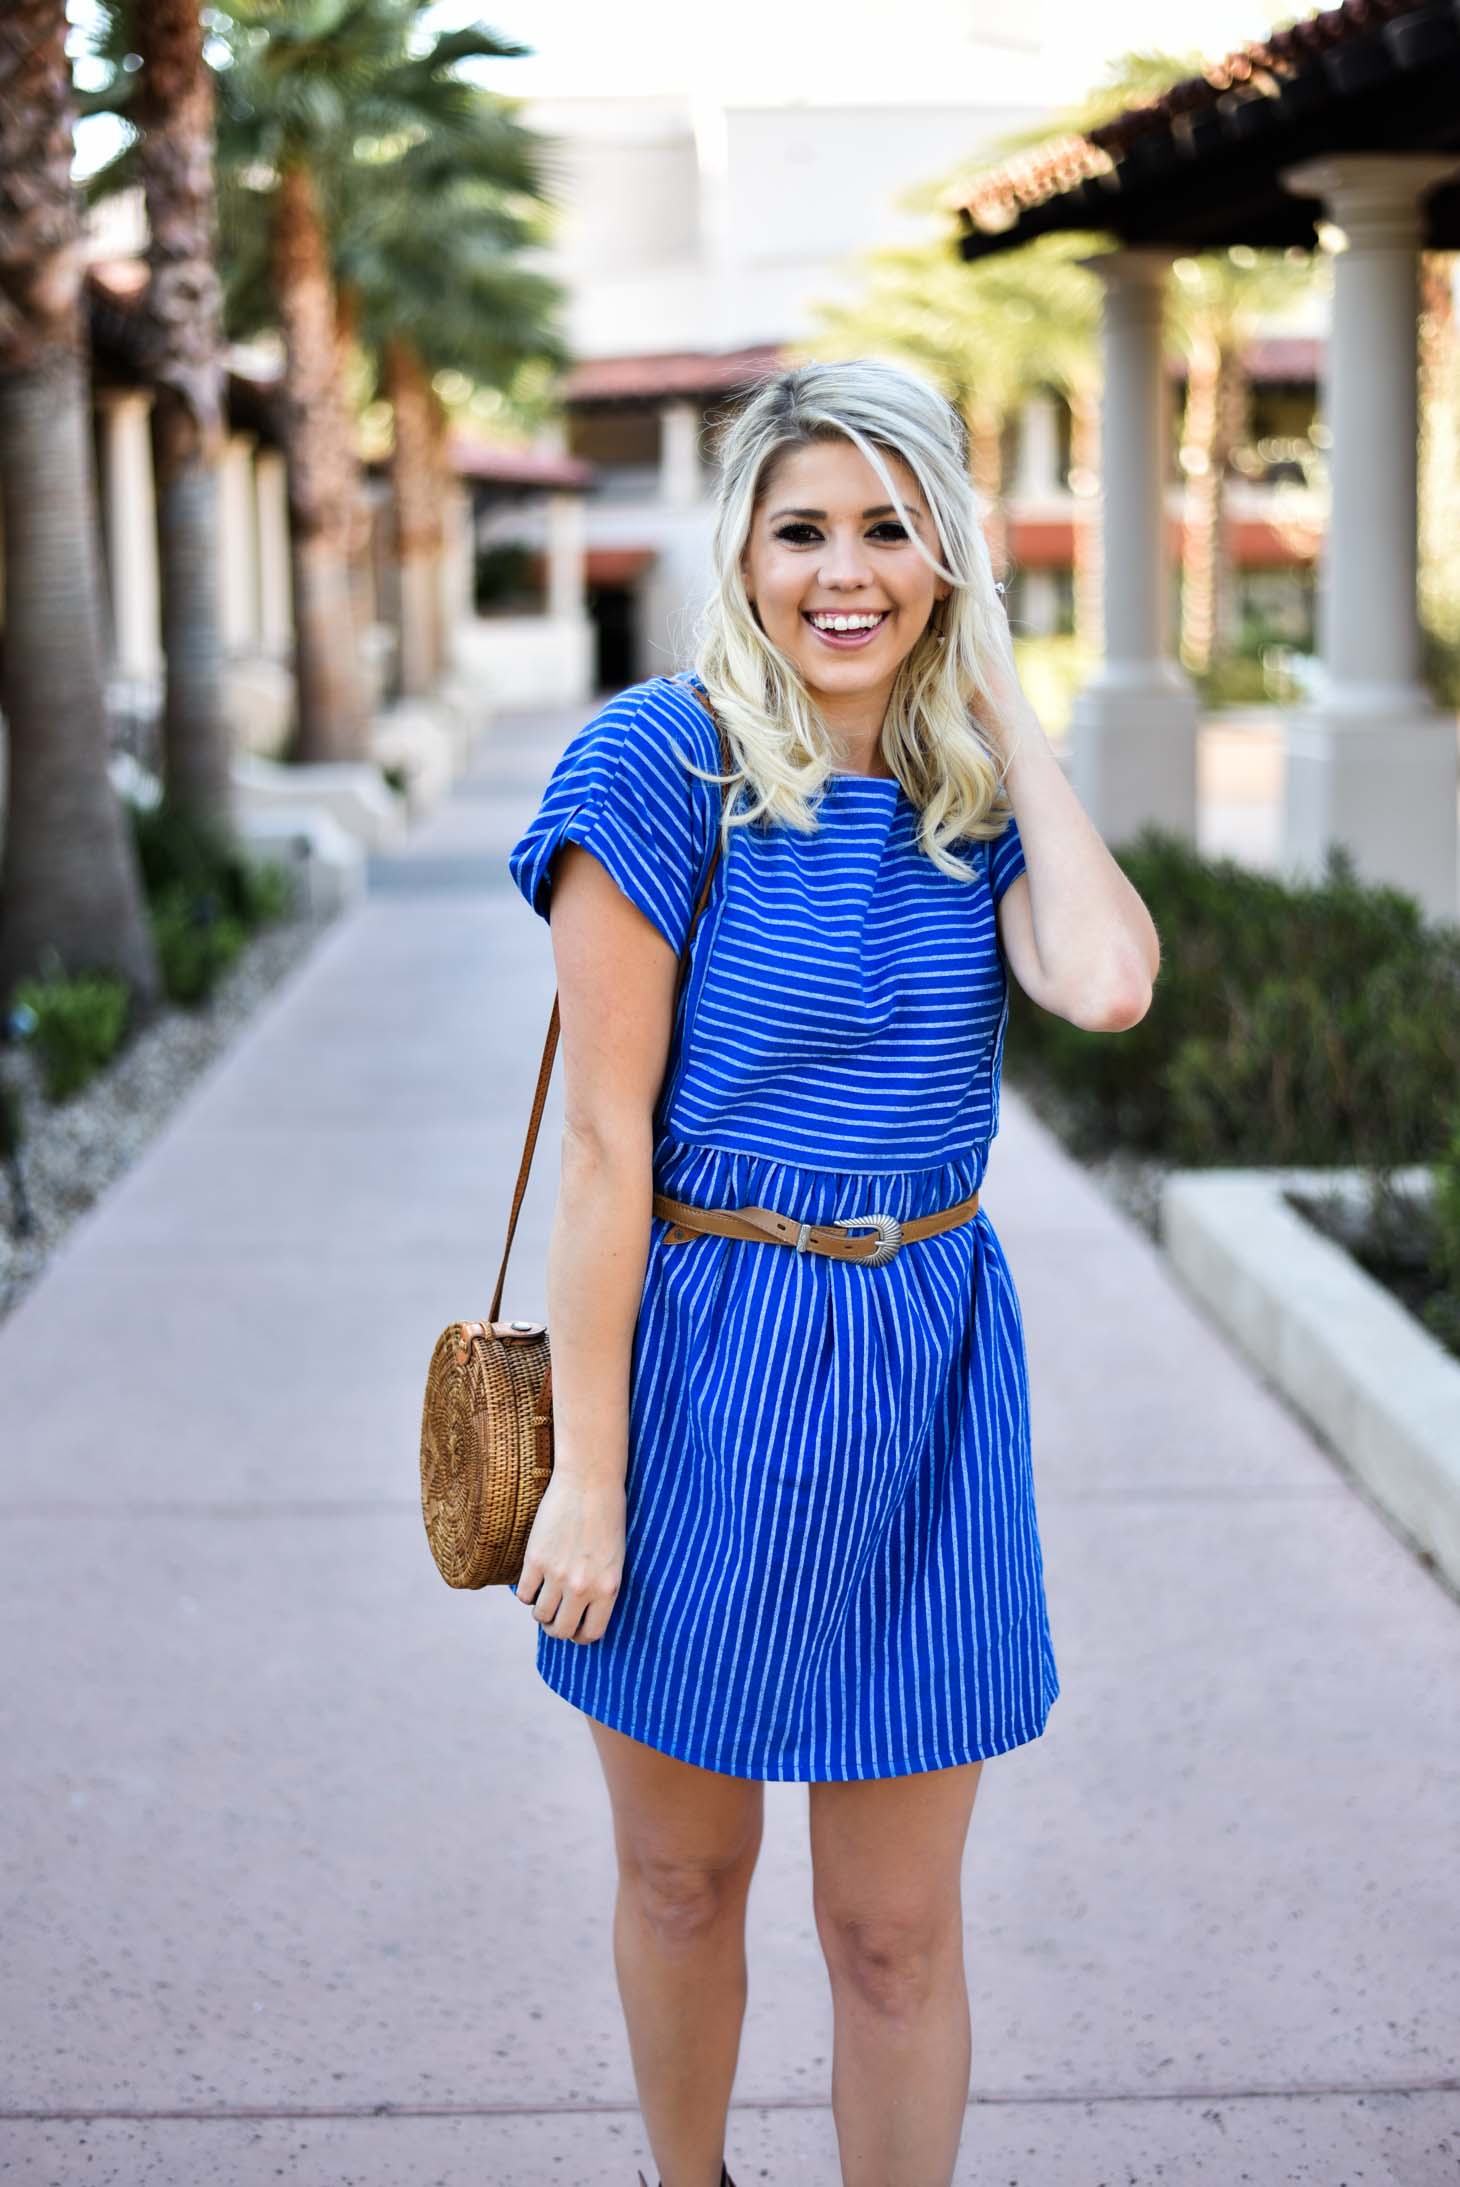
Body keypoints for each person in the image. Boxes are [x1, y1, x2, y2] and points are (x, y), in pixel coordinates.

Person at [505, 358, 1160, 2187]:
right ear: (745, 552)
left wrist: (1009, 697)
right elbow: (607, 1153)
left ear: (950, 547)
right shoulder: (659, 763)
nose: (843, 569)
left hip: (926, 1379)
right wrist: (587, 1475)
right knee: (682, 1875)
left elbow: (1106, 981)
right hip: (705, 1367)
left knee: (893, 1936)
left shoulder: (975, 791)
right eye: (802, 528)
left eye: (891, 524)